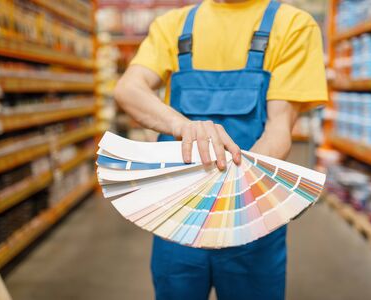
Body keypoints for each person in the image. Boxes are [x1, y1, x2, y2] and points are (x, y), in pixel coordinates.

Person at [114, 0, 328, 299]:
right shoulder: (173, 25)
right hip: (179, 214)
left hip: (250, 213)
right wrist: (184, 126)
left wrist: (233, 187)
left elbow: (279, 128)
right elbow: (128, 88)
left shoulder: (292, 24)